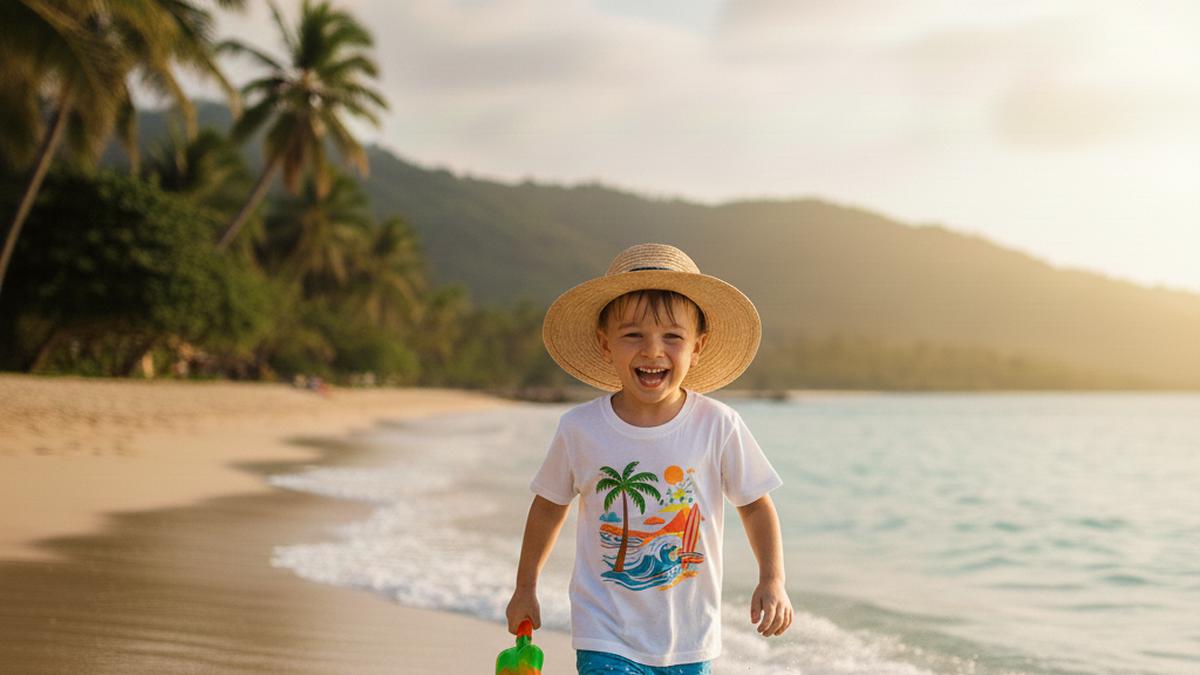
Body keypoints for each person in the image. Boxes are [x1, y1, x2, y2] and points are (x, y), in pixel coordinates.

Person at [506, 243, 792, 674]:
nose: (653, 351)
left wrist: (772, 579)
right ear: (605, 343)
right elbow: (549, 507)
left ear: (698, 346)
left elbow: (755, 506)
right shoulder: (580, 428)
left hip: (690, 639)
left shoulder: (718, 424)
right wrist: (525, 587)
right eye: (633, 335)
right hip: (604, 631)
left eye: (672, 337)